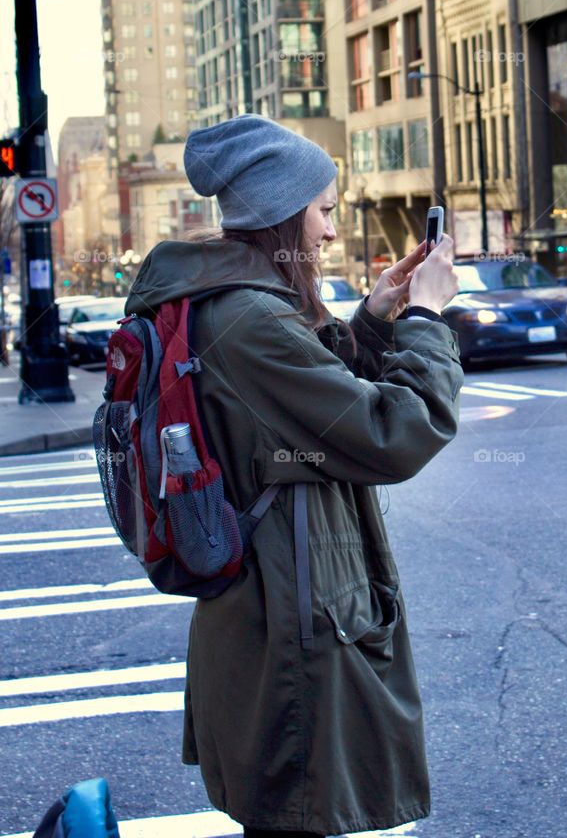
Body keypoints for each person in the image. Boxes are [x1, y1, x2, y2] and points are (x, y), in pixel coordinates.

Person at [126, 115, 463, 838]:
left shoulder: (237, 304)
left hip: (279, 604)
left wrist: (373, 318)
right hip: (289, 617)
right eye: (323, 212)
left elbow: (316, 406)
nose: (330, 233)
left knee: (289, 822)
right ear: (282, 214)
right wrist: (429, 317)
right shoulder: (246, 319)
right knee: (295, 822)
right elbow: (391, 433)